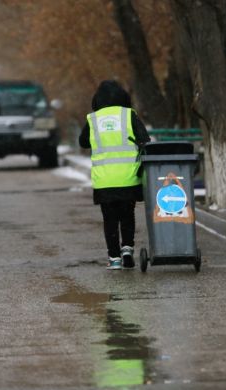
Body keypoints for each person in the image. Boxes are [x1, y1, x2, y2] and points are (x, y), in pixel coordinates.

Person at [79, 80, 150, 270]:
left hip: (104, 181)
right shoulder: (128, 116)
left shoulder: (93, 119)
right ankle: (127, 249)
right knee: (127, 215)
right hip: (128, 177)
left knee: (109, 219)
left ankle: (114, 258)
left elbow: (83, 142)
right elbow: (145, 140)